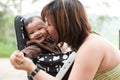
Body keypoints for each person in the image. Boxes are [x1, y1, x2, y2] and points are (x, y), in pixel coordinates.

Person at [10, 0, 120, 80]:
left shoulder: (91, 47)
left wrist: (32, 69)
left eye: (49, 23)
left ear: (62, 24)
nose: (46, 29)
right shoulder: (89, 40)